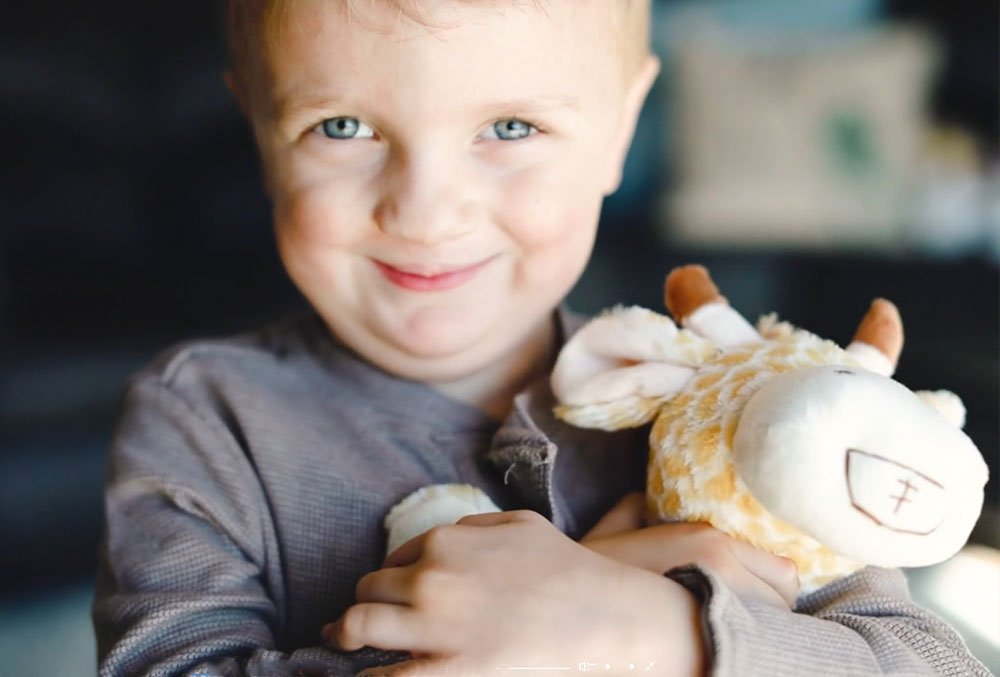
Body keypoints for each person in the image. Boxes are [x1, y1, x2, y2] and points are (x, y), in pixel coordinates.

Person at [91, 1, 991, 675]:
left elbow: (924, 659)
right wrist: (551, 611)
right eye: (342, 126)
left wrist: (653, 634)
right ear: (258, 128)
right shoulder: (206, 418)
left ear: (620, 131)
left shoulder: (721, 405)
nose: (427, 209)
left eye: (511, 126)